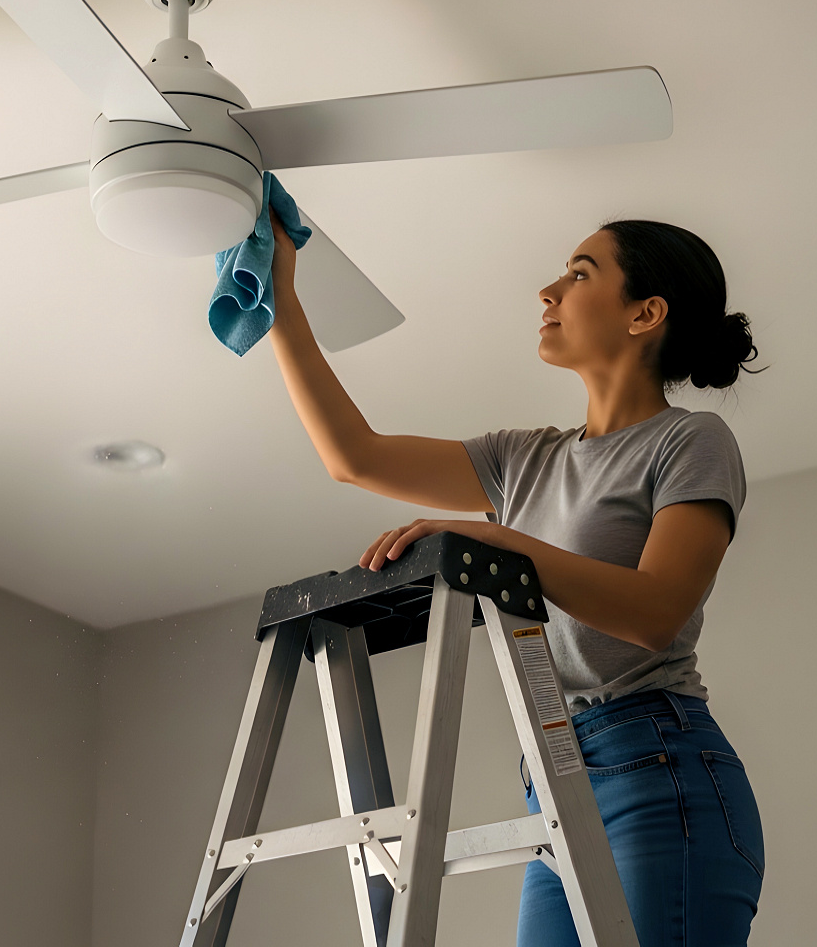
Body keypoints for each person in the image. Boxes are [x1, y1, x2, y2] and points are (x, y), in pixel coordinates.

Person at [266, 215, 765, 947]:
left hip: (657, 772)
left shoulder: (688, 441)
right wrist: (280, 297)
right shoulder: (520, 460)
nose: (549, 289)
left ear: (645, 313)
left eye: (580, 272)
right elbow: (353, 456)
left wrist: (500, 540)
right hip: (555, 780)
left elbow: (657, 611)